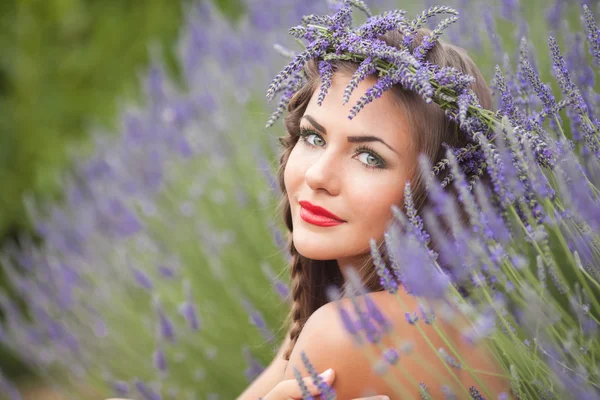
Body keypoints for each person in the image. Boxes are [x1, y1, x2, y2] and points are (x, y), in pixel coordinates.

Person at [237, 24, 510, 400]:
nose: (318, 176)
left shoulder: (350, 332)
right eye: (313, 137)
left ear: (439, 191)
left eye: (369, 157)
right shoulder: (454, 320)